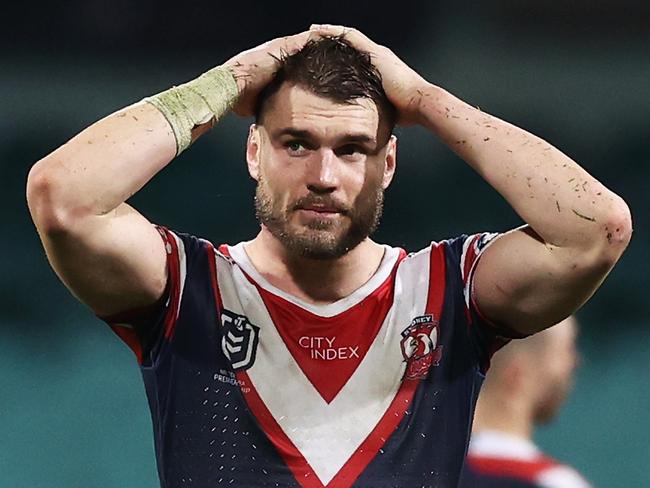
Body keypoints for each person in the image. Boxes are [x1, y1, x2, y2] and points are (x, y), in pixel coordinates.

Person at [26, 24, 631, 488]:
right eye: (297, 144)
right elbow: (64, 197)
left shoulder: (449, 294)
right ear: (254, 154)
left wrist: (424, 100)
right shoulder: (189, 288)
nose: (324, 176)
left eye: (353, 149)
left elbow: (596, 229)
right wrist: (229, 82)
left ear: (388, 164)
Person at [460, 317, 592, 487]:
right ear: (517, 375)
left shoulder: (427, 462)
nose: (575, 363)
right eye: (566, 350)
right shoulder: (551, 482)